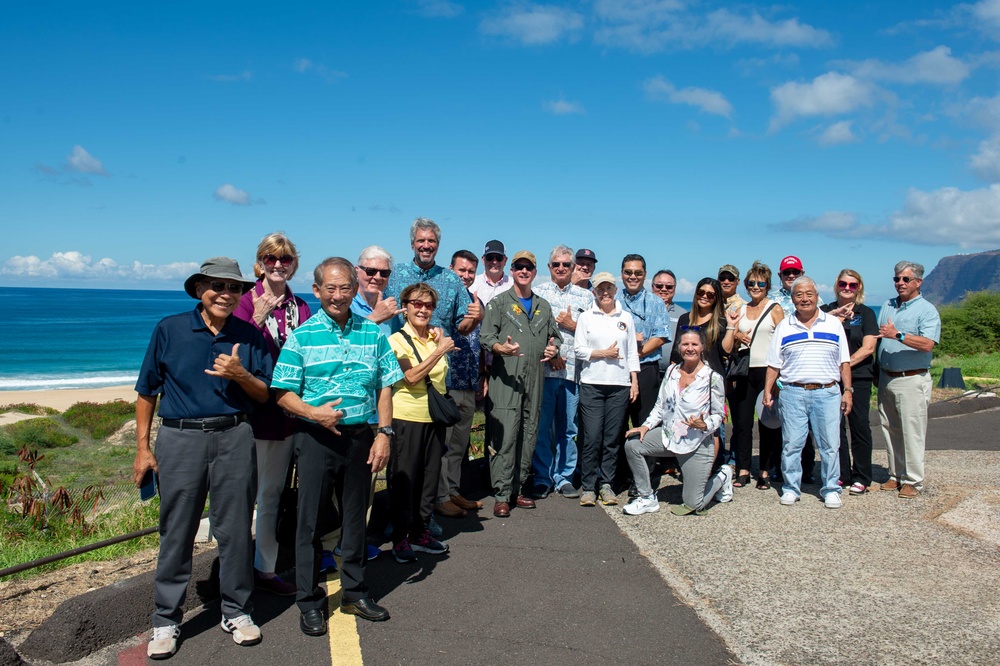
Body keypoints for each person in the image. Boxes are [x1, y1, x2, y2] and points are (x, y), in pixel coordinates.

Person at [135, 257, 270, 659]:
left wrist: (240, 374)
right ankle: (165, 620)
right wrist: (142, 448)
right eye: (217, 286)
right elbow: (146, 391)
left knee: (233, 530)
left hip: (235, 434)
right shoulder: (170, 329)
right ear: (199, 289)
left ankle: (237, 611)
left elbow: (267, 395)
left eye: (234, 288)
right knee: (176, 530)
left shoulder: (249, 335)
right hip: (180, 438)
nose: (226, 294)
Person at [273, 257, 403, 634]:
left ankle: (354, 592)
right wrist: (314, 414)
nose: (338, 295)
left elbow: (384, 385)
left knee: (355, 520)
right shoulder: (302, 336)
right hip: (316, 439)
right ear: (317, 291)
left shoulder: (373, 332)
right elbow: (282, 393)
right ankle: (309, 601)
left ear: (355, 288)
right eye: (330, 288)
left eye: (345, 287)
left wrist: (384, 433)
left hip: (362, 437)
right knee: (309, 522)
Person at [233, 233, 312, 597]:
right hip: (250, 414)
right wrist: (256, 321)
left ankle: (264, 567)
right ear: (259, 263)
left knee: (271, 495)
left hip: (286, 413)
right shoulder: (245, 302)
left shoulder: (301, 307)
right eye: (270, 259)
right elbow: (231, 351)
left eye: (285, 260)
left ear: (294, 264)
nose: (278, 265)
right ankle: (233, 571)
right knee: (238, 496)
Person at [480, 250, 561, 517]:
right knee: (505, 435)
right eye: (519, 267)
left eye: (529, 267)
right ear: (511, 271)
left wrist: (554, 350)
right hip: (506, 379)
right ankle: (502, 494)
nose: (524, 271)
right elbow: (486, 336)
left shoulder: (543, 305)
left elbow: (555, 337)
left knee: (529, 433)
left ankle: (520, 489)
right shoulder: (499, 303)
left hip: (534, 379)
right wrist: (499, 348)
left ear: (535, 272)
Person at [763, 276, 852, 509]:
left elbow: (844, 362)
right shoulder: (785, 326)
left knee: (830, 444)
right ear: (792, 299)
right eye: (799, 295)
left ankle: (831, 488)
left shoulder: (833, 324)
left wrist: (848, 391)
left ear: (817, 296)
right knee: (792, 443)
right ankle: (791, 487)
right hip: (793, 393)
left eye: (809, 294)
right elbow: (774, 364)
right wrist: (767, 391)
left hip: (828, 392)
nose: (805, 299)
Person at [623, 328, 730, 516]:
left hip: (696, 444)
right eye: (685, 344)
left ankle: (722, 476)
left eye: (694, 344)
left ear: (702, 347)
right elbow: (660, 406)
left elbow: (719, 415)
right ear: (679, 347)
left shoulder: (712, 378)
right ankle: (646, 497)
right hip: (669, 436)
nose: (690, 348)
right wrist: (646, 426)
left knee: (694, 504)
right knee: (632, 445)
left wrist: (704, 425)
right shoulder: (672, 371)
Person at [386, 283, 455, 563]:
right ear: (405, 307)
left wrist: (437, 345)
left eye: (428, 305)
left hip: (433, 418)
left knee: (429, 478)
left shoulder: (433, 338)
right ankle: (400, 536)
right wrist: (440, 350)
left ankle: (420, 531)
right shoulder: (397, 340)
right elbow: (411, 377)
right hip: (406, 417)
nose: (423, 309)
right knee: (405, 479)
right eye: (417, 303)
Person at [532, 245, 594, 499]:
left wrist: (573, 325)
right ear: (549, 267)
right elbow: (533, 331)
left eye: (566, 265)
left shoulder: (586, 297)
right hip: (545, 372)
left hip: (572, 375)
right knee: (542, 427)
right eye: (556, 264)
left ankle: (564, 476)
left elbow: (594, 334)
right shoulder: (538, 294)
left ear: (573, 268)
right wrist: (553, 355)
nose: (560, 268)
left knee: (569, 429)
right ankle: (542, 476)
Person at [574, 271, 640, 507]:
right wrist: (603, 353)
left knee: (611, 439)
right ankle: (589, 487)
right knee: (592, 437)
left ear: (615, 290)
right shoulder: (586, 317)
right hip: (592, 384)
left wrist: (634, 380)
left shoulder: (626, 318)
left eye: (608, 288)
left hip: (619, 385)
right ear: (594, 291)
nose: (604, 292)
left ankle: (606, 485)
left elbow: (632, 352)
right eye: (600, 289)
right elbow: (579, 350)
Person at [876, 261, 941, 499]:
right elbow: (878, 338)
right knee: (890, 428)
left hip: (911, 378)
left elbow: (927, 344)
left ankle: (913, 480)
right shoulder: (888, 305)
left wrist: (898, 335)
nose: (900, 283)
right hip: (886, 377)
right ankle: (896, 475)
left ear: (918, 282)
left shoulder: (926, 310)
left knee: (911, 431)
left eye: (905, 279)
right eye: (896, 279)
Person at [436, 250, 485, 517]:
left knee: (458, 445)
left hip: (469, 381)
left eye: (470, 271)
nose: (465, 276)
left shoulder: (475, 301)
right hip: (448, 380)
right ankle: (441, 495)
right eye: (461, 270)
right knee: (443, 444)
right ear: (451, 269)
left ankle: (453, 491)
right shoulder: (443, 299)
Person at [821, 269, 878, 495]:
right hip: (830, 379)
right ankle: (842, 473)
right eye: (843, 284)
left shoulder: (867, 313)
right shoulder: (826, 311)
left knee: (859, 425)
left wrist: (843, 365)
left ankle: (862, 475)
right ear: (837, 285)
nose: (847, 288)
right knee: (834, 428)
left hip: (859, 377)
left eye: (852, 285)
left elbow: (869, 347)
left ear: (859, 288)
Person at [729, 261, 783, 490]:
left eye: (761, 283)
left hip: (767, 371)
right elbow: (728, 341)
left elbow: (783, 343)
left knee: (767, 423)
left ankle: (764, 470)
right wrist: (737, 335)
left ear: (768, 285)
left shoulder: (775, 308)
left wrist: (779, 377)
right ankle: (742, 468)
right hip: (743, 369)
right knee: (741, 423)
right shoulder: (739, 309)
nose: (756, 287)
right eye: (751, 283)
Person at [383, 217, 478, 337]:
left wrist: (476, 317)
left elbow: (463, 328)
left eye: (431, 241)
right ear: (412, 244)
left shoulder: (452, 280)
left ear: (438, 245)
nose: (426, 246)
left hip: (440, 353)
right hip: (401, 354)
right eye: (421, 240)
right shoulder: (394, 274)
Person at [351, 245, 402, 331]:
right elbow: (340, 339)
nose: (378, 277)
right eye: (371, 271)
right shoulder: (345, 304)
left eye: (384, 273)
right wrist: (376, 317)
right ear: (356, 272)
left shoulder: (390, 305)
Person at [651, 269, 687, 375]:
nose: (664, 289)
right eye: (659, 286)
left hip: (673, 374)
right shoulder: (643, 311)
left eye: (669, 287)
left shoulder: (683, 315)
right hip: (647, 371)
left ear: (674, 289)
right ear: (652, 287)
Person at [471, 239, 513, 304]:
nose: (494, 262)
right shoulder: (472, 285)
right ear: (483, 260)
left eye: (499, 257)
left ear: (505, 260)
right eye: (490, 257)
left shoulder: (514, 286)